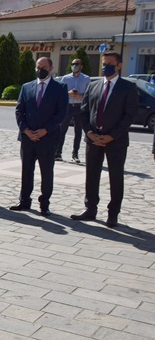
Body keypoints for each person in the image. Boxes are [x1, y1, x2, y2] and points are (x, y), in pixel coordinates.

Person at [70, 52, 138, 228]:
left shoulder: (128, 88)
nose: (105, 67)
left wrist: (111, 136)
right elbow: (84, 112)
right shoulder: (93, 86)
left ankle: (113, 214)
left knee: (116, 177)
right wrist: (90, 133)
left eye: (109, 63)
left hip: (116, 141)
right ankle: (90, 209)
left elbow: (128, 116)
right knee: (91, 175)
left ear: (119, 66)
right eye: (103, 63)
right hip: (93, 139)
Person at [10, 57, 68, 216]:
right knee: (26, 170)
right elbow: (19, 111)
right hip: (28, 138)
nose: (40, 69)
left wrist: (45, 130)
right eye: (38, 66)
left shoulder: (60, 88)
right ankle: (24, 201)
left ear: (51, 68)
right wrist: (26, 130)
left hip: (47, 138)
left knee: (46, 172)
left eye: (43, 67)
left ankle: (44, 204)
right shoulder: (27, 87)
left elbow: (61, 113)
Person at [56, 58, 91, 163]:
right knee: (62, 130)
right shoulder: (66, 78)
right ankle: (58, 153)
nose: (74, 66)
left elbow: (89, 93)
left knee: (78, 131)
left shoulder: (86, 78)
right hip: (68, 106)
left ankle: (75, 154)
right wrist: (68, 93)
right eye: (72, 64)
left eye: (76, 64)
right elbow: (60, 93)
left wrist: (80, 95)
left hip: (80, 106)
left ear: (81, 66)